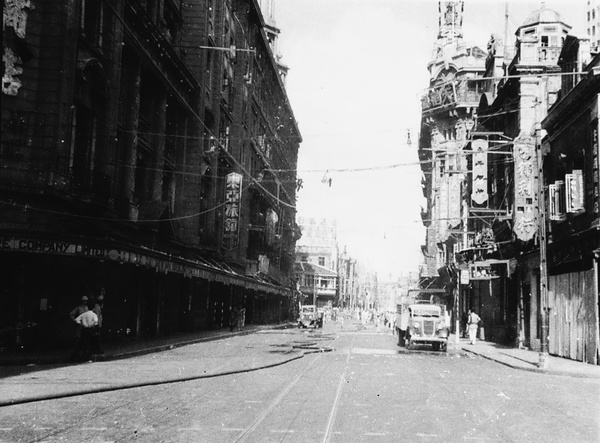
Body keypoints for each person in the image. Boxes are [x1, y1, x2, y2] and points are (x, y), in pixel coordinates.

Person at [91, 289, 104, 354]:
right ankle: (95, 350)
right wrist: (96, 325)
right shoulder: (97, 307)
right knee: (95, 338)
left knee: (97, 337)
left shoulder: (98, 307)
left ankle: (96, 349)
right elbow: (96, 316)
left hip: (98, 324)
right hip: (96, 324)